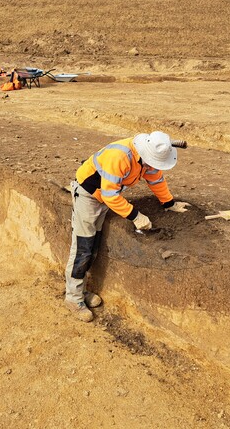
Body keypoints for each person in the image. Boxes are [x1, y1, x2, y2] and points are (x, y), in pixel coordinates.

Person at [65, 131, 190, 322]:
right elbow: (110, 195)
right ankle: (73, 298)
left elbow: (156, 180)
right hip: (89, 196)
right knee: (83, 247)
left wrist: (169, 203)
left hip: (104, 195)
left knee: (95, 245)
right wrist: (135, 216)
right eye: (153, 163)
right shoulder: (120, 157)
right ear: (146, 154)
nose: (153, 168)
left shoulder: (147, 158)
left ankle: (82, 290)